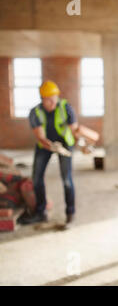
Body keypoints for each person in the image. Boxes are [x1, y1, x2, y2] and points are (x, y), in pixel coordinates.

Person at [18, 80, 79, 225]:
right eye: (48, 99)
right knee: (37, 178)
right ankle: (41, 212)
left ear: (57, 96)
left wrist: (82, 142)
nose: (51, 102)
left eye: (53, 98)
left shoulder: (65, 108)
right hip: (45, 145)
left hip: (65, 145)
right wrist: (51, 146)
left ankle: (70, 213)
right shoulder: (36, 112)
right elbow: (40, 135)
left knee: (66, 180)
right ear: (42, 99)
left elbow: (74, 130)